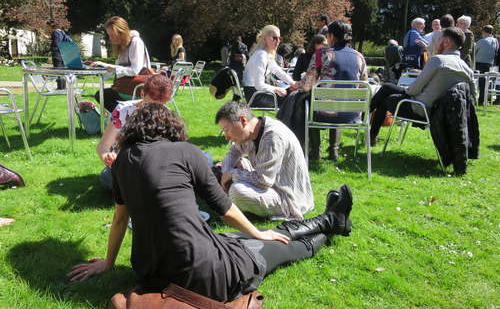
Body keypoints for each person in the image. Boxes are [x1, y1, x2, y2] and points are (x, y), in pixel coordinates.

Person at [68, 102, 353, 304]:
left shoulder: (121, 163)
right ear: (169, 127)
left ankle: (328, 220)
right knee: (276, 246)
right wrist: (258, 232)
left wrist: (108, 262)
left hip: (151, 270)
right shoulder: (185, 151)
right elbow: (223, 206)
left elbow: (119, 220)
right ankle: (329, 226)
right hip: (204, 273)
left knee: (234, 238)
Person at [370, 27, 475, 145]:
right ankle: (367, 124)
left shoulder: (438, 60)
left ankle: (368, 129)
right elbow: (473, 99)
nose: (435, 43)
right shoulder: (468, 70)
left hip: (422, 109)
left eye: (438, 39)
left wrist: (408, 90)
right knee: (387, 87)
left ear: (446, 42)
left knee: (384, 98)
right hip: (448, 115)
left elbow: (414, 90)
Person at [216, 101, 313, 220]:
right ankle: (227, 192)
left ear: (243, 121)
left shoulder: (272, 137)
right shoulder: (252, 130)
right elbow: (233, 152)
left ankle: (232, 198)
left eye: (227, 130)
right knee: (236, 163)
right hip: (269, 183)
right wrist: (224, 176)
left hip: (286, 196)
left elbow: (263, 181)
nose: (227, 137)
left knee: (237, 191)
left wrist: (230, 174)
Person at [289, 20, 368, 161]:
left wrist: (296, 86)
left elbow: (308, 85)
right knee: (335, 102)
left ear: (331, 36)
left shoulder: (321, 54)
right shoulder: (359, 57)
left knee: (307, 100)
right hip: (352, 114)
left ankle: (315, 150)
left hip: (324, 113)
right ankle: (334, 151)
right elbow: (364, 87)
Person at [96, 74, 173, 190]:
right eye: (151, 103)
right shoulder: (123, 111)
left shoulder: (166, 113)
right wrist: (107, 156)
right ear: (142, 93)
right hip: (125, 165)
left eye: (161, 105)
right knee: (108, 178)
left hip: (153, 166)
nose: (156, 109)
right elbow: (103, 146)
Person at [90, 16, 151, 112]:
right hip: (127, 87)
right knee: (101, 95)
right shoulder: (122, 46)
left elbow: (135, 70)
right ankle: (126, 118)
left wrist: (110, 67)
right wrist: (101, 69)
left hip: (139, 89)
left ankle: (125, 118)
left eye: (112, 35)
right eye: (109, 35)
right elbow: (117, 70)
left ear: (121, 32)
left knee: (102, 96)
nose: (110, 38)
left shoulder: (135, 42)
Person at [242, 25, 295, 108]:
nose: (277, 41)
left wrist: (293, 83)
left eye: (279, 38)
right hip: (255, 96)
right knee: (294, 100)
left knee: (294, 96)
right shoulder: (261, 56)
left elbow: (278, 72)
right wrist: (277, 89)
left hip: (257, 94)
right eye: (274, 38)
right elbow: (259, 85)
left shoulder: (266, 54)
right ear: (264, 39)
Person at [475, 25, 499, 105]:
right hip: (490, 64)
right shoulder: (495, 41)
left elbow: (474, 51)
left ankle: (481, 100)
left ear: (484, 32)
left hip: (480, 63)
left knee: (481, 83)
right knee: (487, 83)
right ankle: (486, 99)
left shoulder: (482, 41)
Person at [47, 20, 71, 90]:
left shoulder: (55, 32)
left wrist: (52, 53)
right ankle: (63, 87)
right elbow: (60, 40)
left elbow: (56, 43)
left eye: (48, 26)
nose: (47, 28)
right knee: (62, 70)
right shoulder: (61, 32)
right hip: (63, 53)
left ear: (51, 26)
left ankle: (60, 87)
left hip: (57, 54)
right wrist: (49, 38)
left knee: (58, 70)